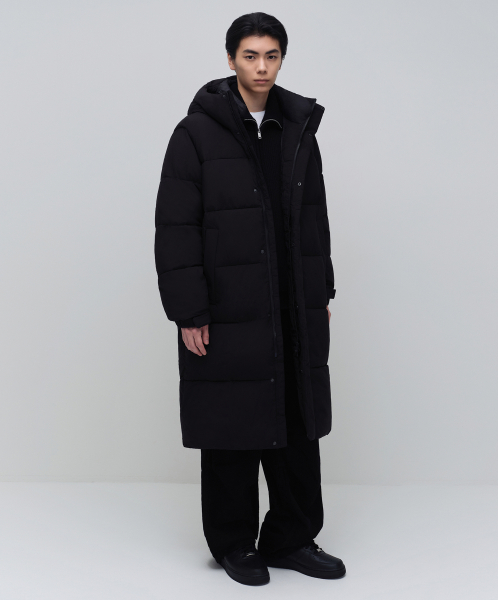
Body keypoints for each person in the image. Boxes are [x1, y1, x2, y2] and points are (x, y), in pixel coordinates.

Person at [154, 12, 345, 586]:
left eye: (271, 56)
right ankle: (234, 543)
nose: (262, 67)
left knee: (297, 421)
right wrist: (189, 310)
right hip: (228, 305)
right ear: (231, 59)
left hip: (291, 302)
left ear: (282, 58)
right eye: (250, 56)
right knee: (232, 422)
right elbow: (176, 227)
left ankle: (292, 537)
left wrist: (321, 288)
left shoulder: (298, 127)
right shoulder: (196, 133)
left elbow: (315, 218)